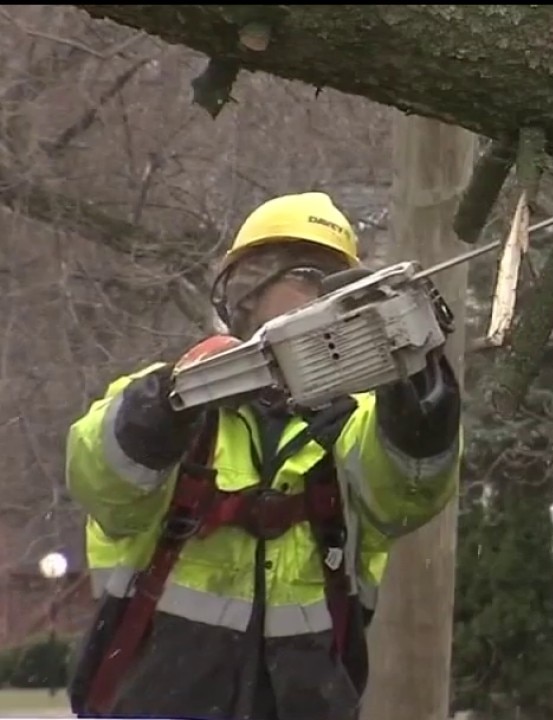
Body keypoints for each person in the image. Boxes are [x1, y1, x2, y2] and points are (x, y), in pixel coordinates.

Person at [63, 192, 463, 720]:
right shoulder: (172, 402)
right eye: (308, 276)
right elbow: (102, 481)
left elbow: (408, 495)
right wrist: (170, 405)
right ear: (249, 289)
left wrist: (422, 405)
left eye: (338, 286)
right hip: (159, 697)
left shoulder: (357, 422)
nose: (325, 300)